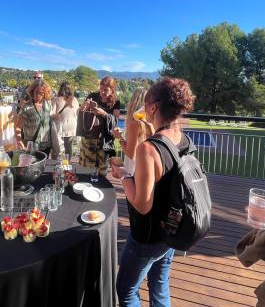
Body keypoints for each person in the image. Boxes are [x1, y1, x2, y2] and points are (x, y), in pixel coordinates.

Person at [110, 77, 196, 307]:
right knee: (159, 284)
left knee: (126, 291)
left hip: (147, 235)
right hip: (171, 228)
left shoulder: (149, 149)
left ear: (153, 107)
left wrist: (124, 176)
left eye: (146, 105)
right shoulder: (184, 139)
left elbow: (142, 204)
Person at [77, 76, 121, 174]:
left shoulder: (116, 102)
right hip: (89, 139)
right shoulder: (93, 96)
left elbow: (115, 121)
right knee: (86, 169)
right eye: (101, 89)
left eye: (106, 90)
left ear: (112, 90)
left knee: (102, 170)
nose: (102, 92)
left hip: (104, 140)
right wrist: (85, 106)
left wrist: (104, 114)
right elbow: (79, 112)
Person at [111, 87, 154, 174]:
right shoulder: (150, 121)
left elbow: (131, 154)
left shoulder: (136, 123)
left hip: (134, 168)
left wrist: (120, 138)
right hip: (147, 164)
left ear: (133, 102)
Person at [15, 80, 53, 156]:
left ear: (45, 93)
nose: (38, 95)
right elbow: (18, 127)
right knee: (30, 166)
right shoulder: (26, 107)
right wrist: (19, 141)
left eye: (41, 93)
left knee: (43, 166)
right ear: (32, 91)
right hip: (30, 145)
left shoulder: (48, 104)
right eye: (36, 92)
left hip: (45, 145)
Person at [51, 82, 79, 157]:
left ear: (60, 89)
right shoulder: (75, 100)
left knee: (56, 147)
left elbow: (52, 115)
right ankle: (67, 165)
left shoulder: (56, 99)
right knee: (68, 147)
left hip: (60, 126)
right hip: (72, 125)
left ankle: (54, 163)